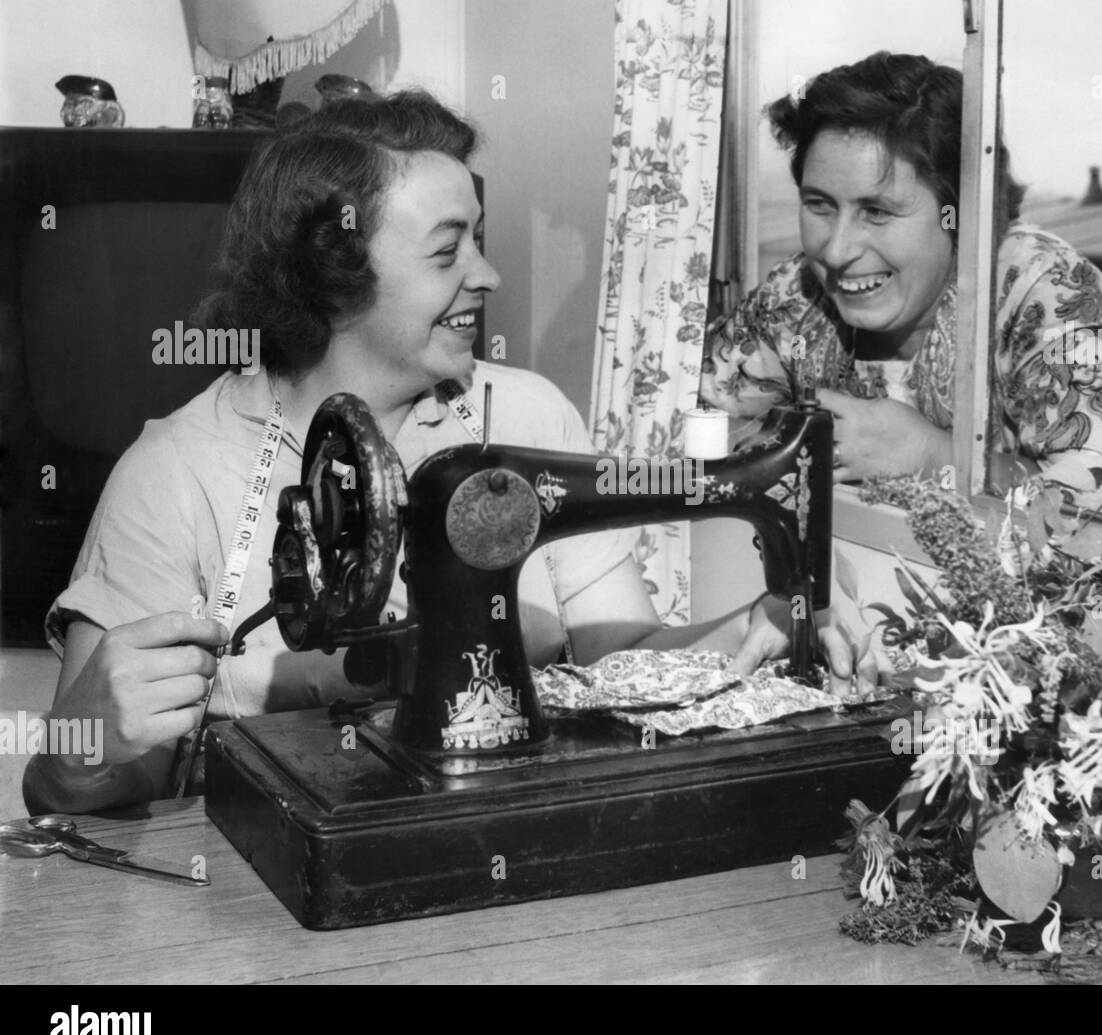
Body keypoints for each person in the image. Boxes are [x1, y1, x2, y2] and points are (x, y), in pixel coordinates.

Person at [24, 90, 856, 815]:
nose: (488, 274)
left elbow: (624, 662)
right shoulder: (175, 473)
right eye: (448, 249)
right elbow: (61, 792)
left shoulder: (526, 414)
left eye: (480, 240)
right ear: (334, 270)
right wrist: (82, 740)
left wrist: (752, 629)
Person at [700, 52, 1102, 524]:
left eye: (877, 212)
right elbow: (683, 416)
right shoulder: (799, 293)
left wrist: (936, 459)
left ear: (961, 213)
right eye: (820, 205)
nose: (837, 252)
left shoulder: (1041, 291)